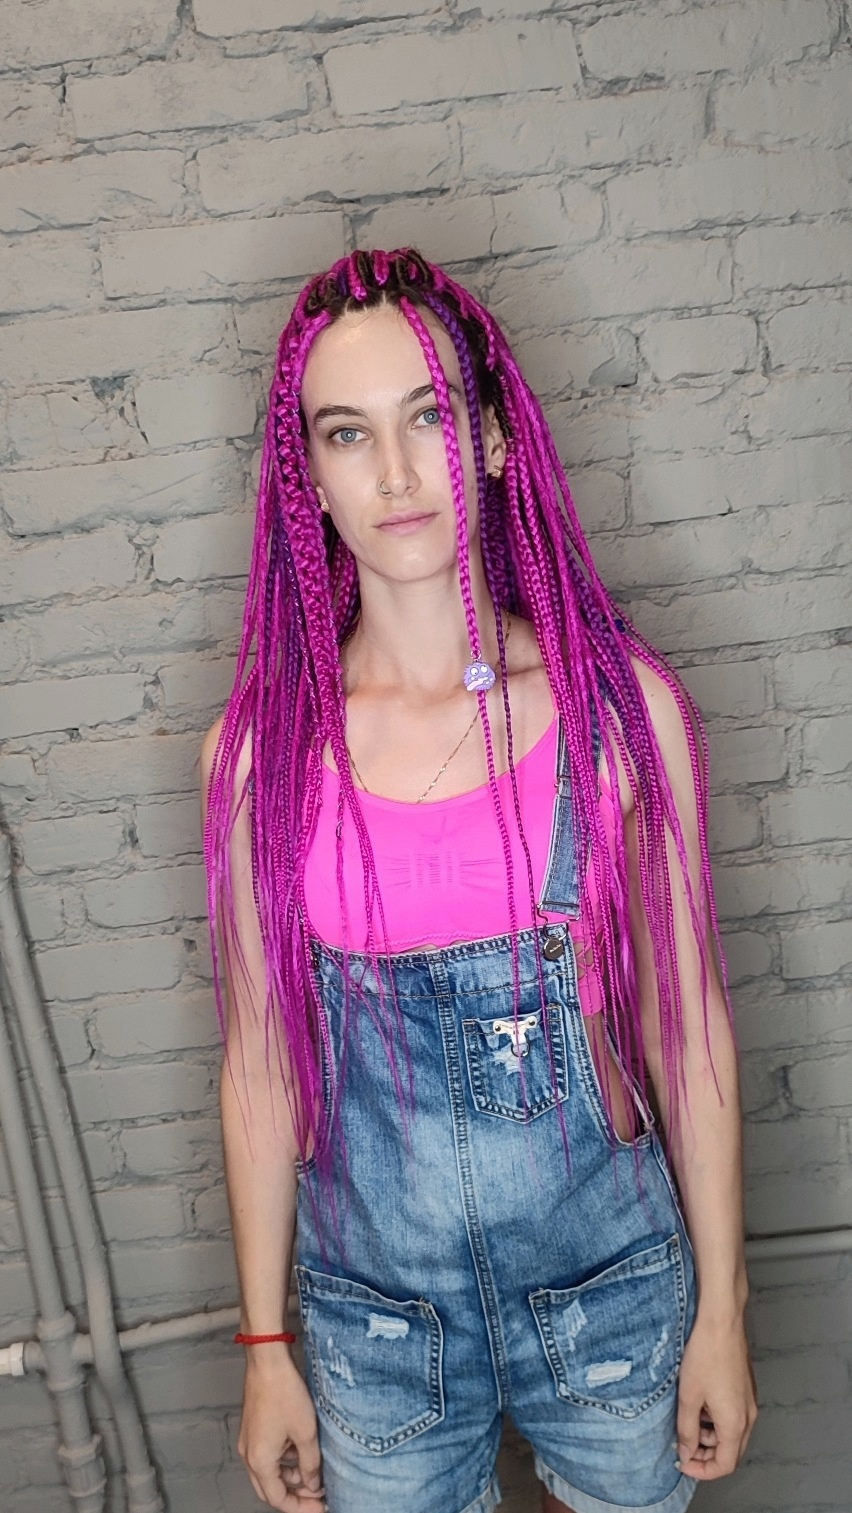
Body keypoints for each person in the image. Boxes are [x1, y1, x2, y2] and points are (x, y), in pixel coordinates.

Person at [200, 247, 758, 1513]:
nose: (396, 473)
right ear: (309, 479)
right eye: (349, 434)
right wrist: (265, 1348)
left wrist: (722, 1308)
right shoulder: (258, 758)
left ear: (495, 437)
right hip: (377, 1326)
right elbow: (258, 1063)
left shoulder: (619, 712)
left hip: (610, 1286)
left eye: (431, 416)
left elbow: (689, 1027)